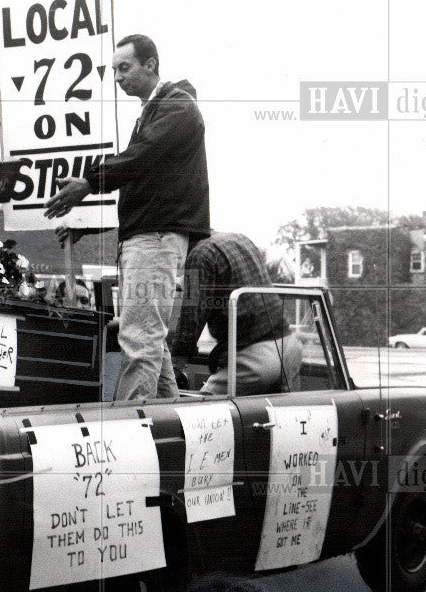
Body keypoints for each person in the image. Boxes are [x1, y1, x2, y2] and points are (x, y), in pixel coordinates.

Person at [45, 34, 210, 400]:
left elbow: (139, 157)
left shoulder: (176, 109)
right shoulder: (161, 111)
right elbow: (144, 183)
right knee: (152, 341)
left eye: (124, 67)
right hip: (149, 237)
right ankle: (172, 425)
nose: (116, 77)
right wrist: (91, 225)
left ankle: (129, 434)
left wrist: (89, 182)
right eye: (114, 70)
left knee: (140, 340)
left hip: (153, 239)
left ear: (150, 64)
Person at [170, 231, 302, 396]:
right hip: (288, 345)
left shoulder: (198, 255)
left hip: (255, 358)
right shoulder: (239, 239)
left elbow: (191, 319)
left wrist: (176, 364)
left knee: (196, 411)